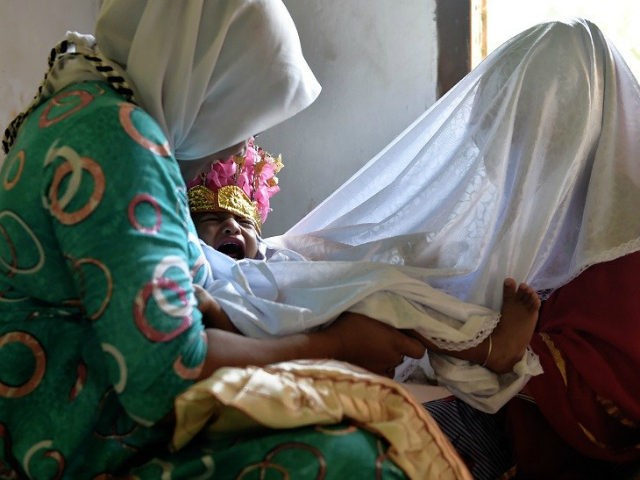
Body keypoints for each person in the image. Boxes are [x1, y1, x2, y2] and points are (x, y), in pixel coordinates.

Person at [0, 1, 465, 478]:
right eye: (246, 119)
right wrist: (337, 346)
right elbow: (167, 374)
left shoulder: (86, 105)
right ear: (204, 80)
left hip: (51, 418)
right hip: (72, 443)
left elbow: (190, 300)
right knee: (360, 457)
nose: (244, 147)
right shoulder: (121, 143)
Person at [260, 17, 640, 479]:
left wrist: (512, 354)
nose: (506, 162)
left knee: (327, 450)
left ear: (572, 127)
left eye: (524, 140)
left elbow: (613, 401)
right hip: (484, 406)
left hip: (532, 440)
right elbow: (460, 274)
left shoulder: (625, 243)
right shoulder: (538, 204)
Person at [187, 136, 542, 380]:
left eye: (243, 223)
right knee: (379, 292)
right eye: (213, 221)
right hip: (265, 321)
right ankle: (489, 350)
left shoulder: (272, 259)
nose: (231, 228)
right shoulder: (199, 258)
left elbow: (301, 277)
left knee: (384, 287)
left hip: (300, 316)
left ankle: (481, 346)